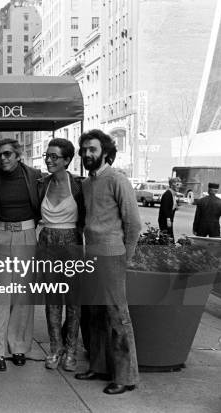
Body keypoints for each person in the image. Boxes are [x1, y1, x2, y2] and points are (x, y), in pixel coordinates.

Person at [74, 129, 141, 395]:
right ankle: (99, 367)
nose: (87, 154)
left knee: (117, 317)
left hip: (113, 256)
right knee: (94, 315)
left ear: (105, 151)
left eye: (92, 149)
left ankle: (126, 376)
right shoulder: (88, 183)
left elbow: (133, 223)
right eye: (84, 150)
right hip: (92, 255)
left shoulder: (117, 179)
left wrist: (127, 256)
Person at [0, 138, 42, 371]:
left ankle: (18, 347)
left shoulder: (35, 176)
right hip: (0, 235)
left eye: (7, 154)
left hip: (27, 235)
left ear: (18, 156)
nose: (2, 158)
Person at [36, 138, 85, 371]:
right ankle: (55, 349)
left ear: (67, 160)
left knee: (74, 303)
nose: (49, 160)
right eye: (47, 155)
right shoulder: (41, 184)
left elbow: (87, 218)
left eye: (54, 156)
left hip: (72, 242)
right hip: (46, 242)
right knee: (52, 301)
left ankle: (71, 350)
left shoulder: (79, 186)